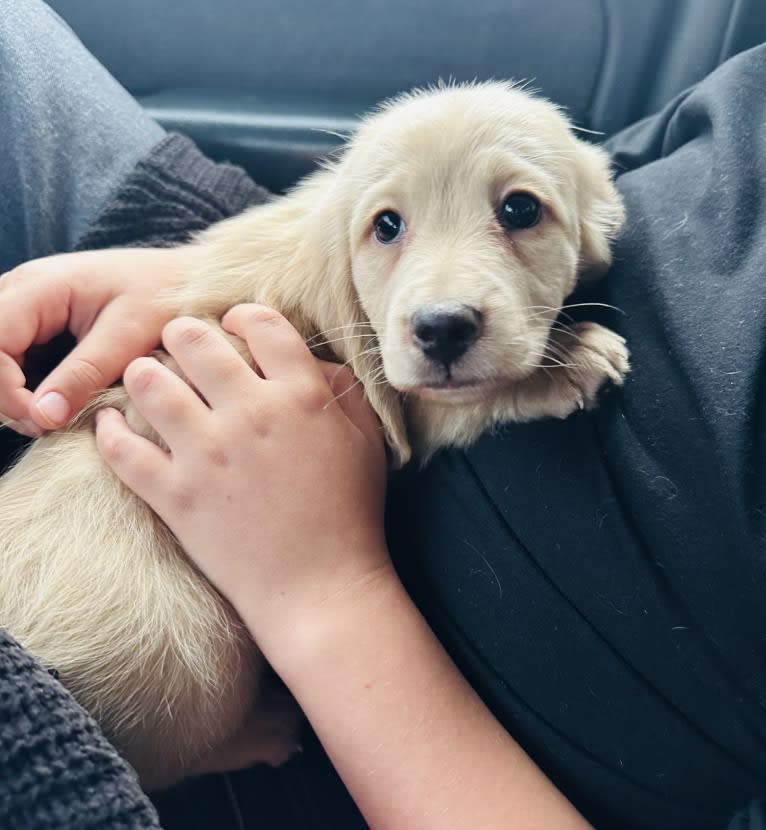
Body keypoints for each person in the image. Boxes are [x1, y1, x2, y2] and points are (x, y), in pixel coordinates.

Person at [0, 2, 764, 828]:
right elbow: (618, 162)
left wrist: (325, 593)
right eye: (385, 226)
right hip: (269, 356)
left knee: (150, 669)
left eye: (518, 212)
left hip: (345, 674)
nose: (445, 301)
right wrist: (201, 273)